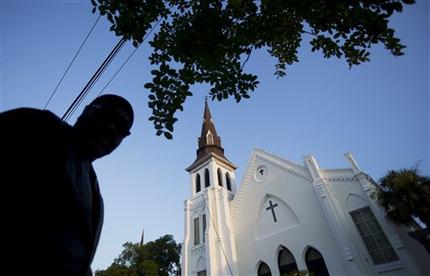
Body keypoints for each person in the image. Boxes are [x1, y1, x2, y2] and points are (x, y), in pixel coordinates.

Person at [1, 94, 134, 276]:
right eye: (107, 116)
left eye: (121, 128)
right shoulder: (43, 127)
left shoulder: (97, 195)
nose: (111, 128)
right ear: (87, 112)